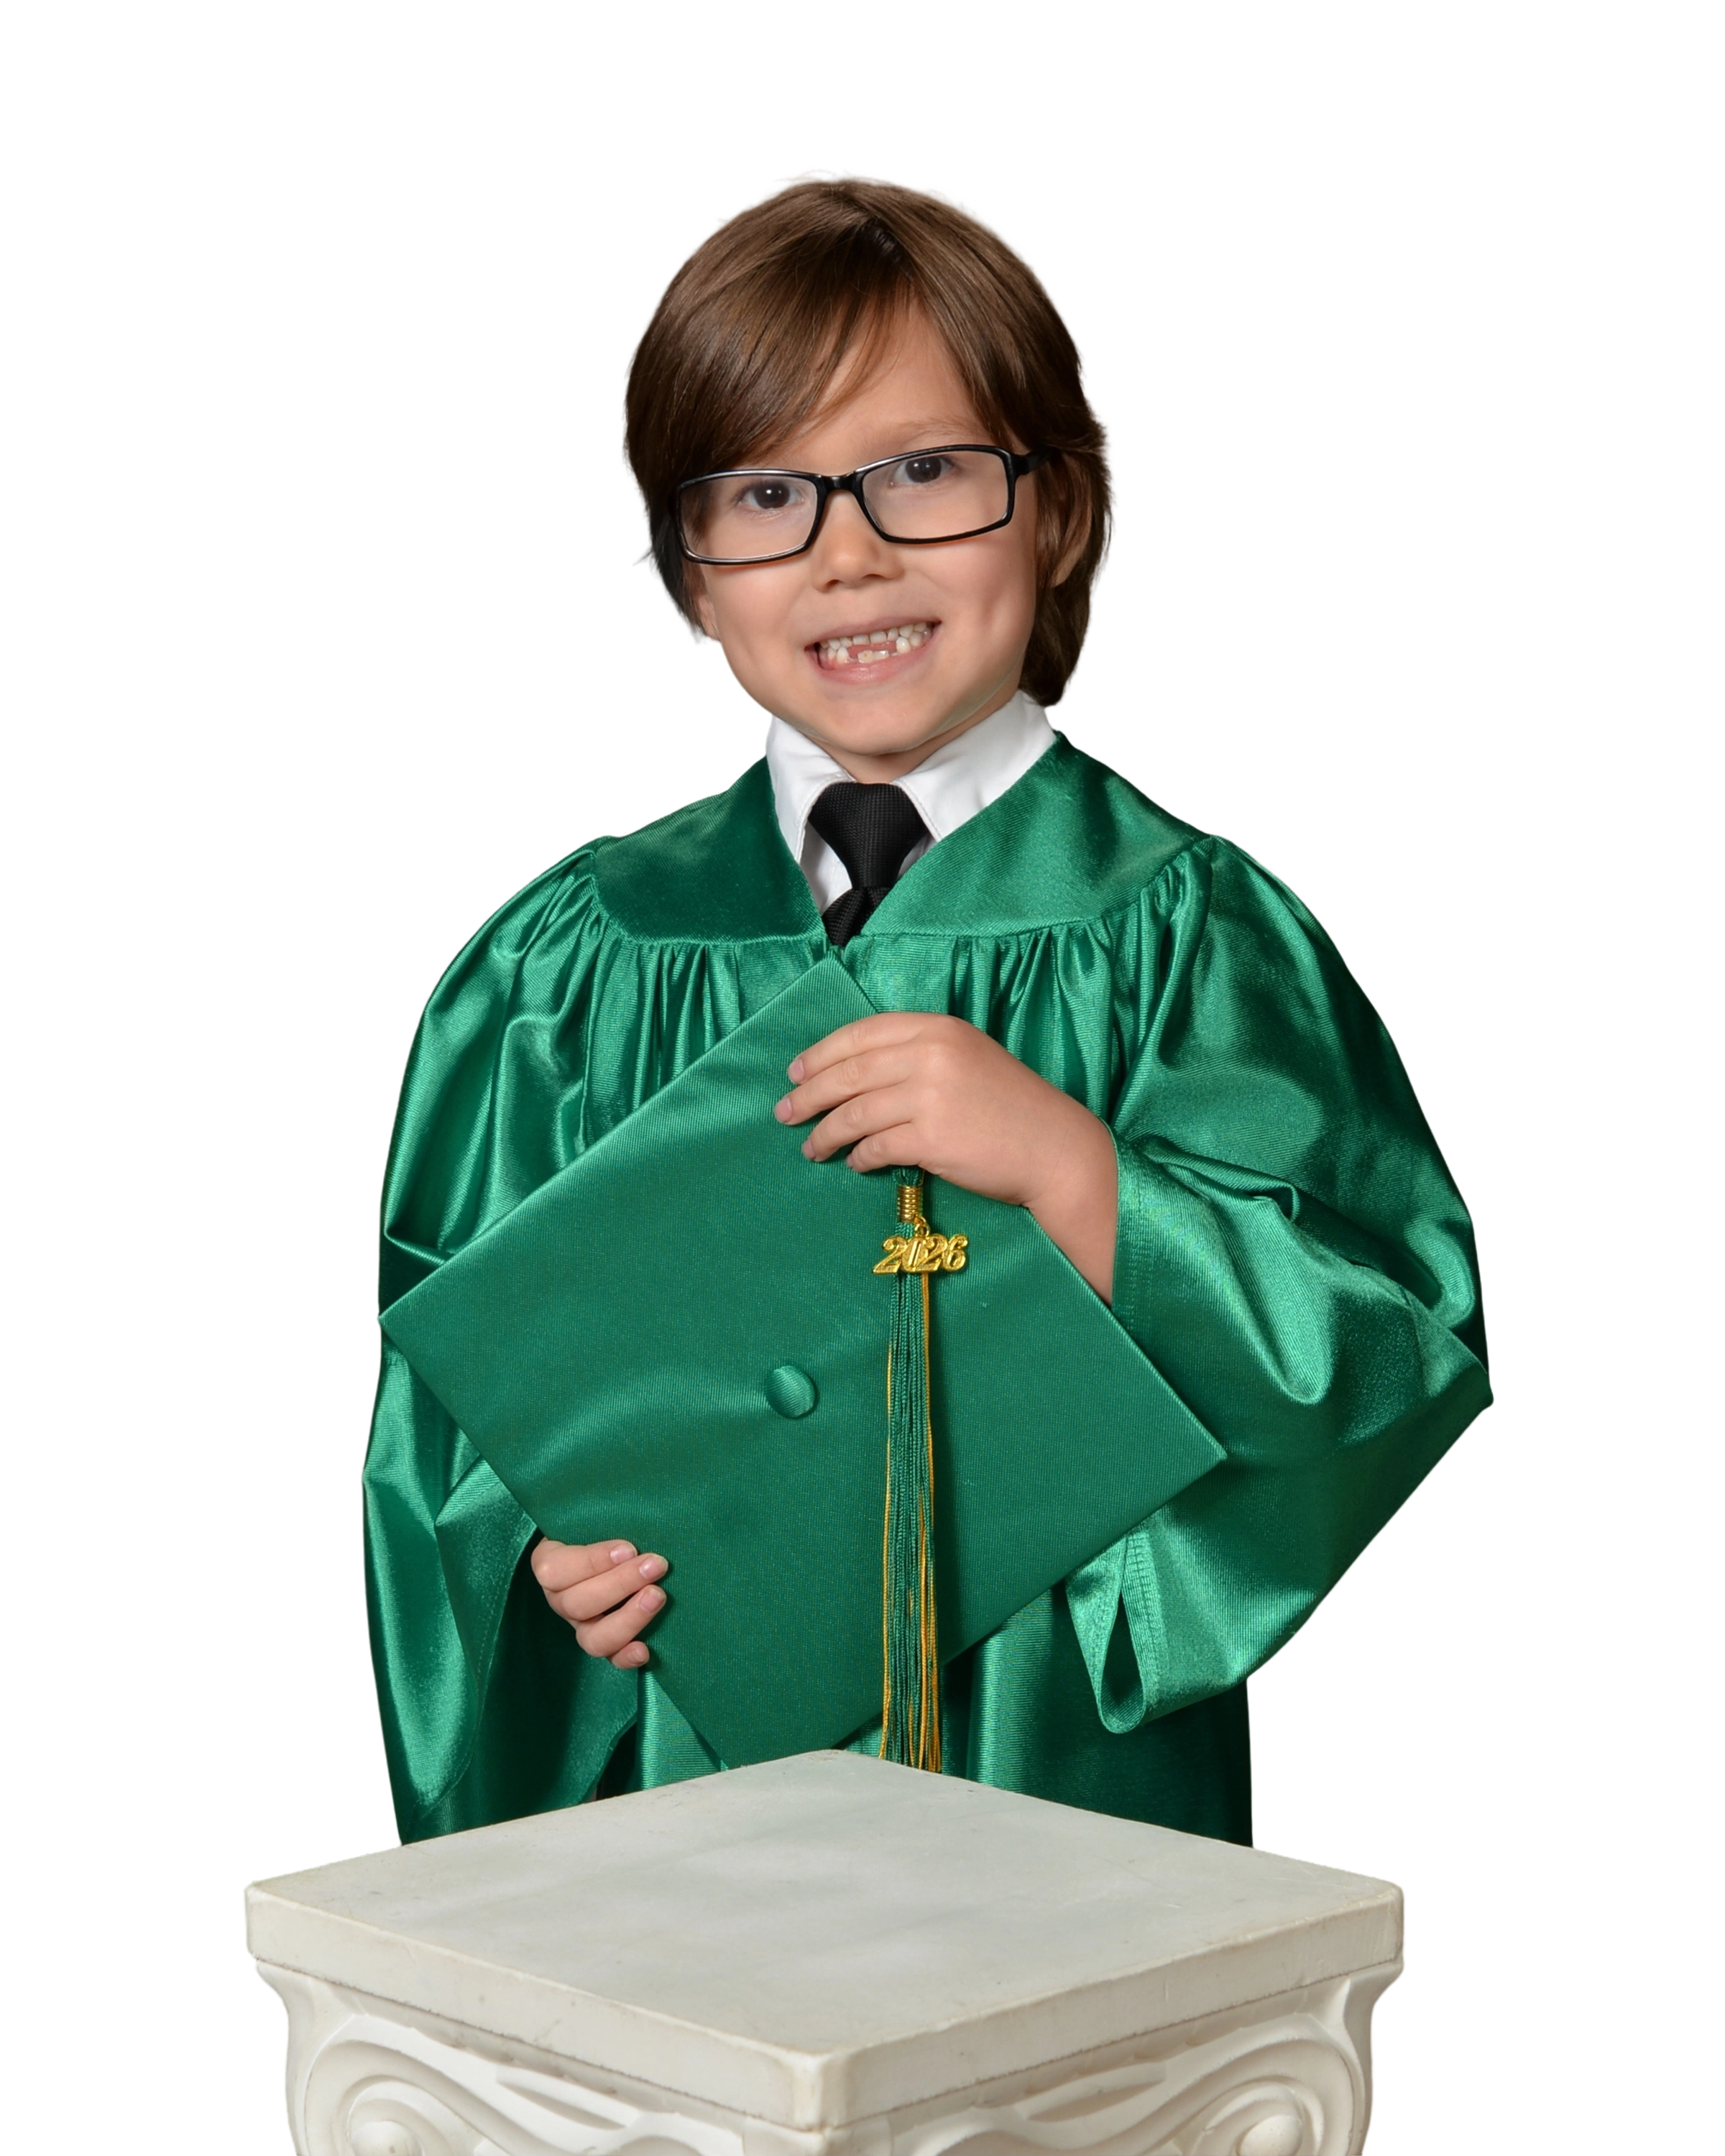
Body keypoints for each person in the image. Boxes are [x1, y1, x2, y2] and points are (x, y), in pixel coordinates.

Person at [360, 165, 1491, 1846]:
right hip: (682, 1821)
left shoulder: (1189, 937)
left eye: (926, 471)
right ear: (690, 573)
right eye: (765, 494)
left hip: (1063, 1807)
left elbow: (1391, 1350)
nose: (852, 553)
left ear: (1060, 508)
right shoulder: (561, 975)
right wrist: (535, 1551)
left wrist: (1077, 1174)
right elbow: (450, 1409)